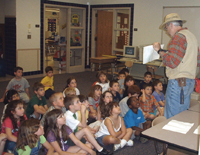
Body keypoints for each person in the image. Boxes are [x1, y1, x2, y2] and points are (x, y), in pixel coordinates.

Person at [153, 13, 200, 119]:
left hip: (178, 84)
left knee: (171, 118)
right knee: (181, 117)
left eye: (166, 28)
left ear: (171, 25)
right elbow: (198, 61)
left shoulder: (178, 37)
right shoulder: (191, 37)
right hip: (188, 83)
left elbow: (172, 62)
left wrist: (160, 51)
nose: (167, 31)